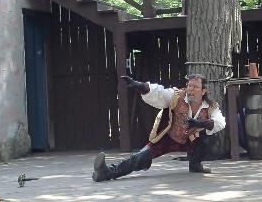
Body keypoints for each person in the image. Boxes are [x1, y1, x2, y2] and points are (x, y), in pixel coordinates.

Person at [92, 73, 225, 181]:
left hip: (191, 141)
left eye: (195, 87)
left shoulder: (211, 107)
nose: (191, 89)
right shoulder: (176, 96)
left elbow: (220, 122)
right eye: (189, 86)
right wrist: (141, 86)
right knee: (140, 157)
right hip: (168, 139)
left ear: (203, 91)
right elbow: (159, 93)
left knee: (208, 138)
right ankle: (106, 172)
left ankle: (195, 164)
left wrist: (200, 124)